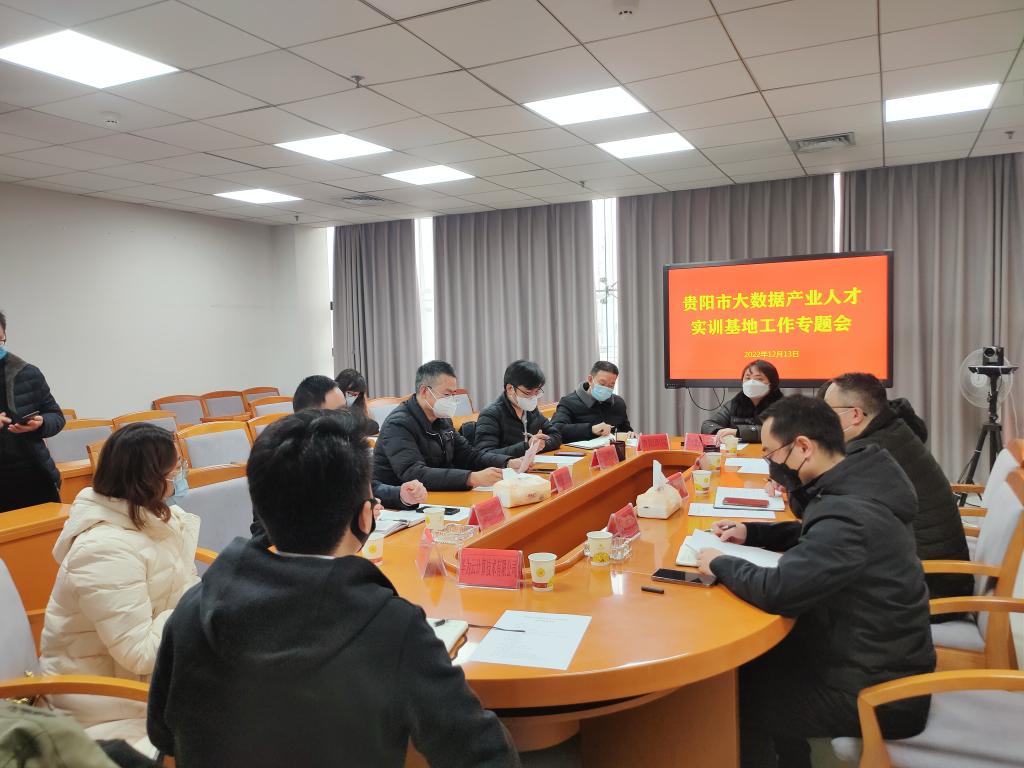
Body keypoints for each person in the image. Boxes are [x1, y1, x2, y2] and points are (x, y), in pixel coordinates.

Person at [147, 410, 519, 768]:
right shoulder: (392, 627)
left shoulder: (192, 608)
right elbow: (482, 753)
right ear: (364, 517)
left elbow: (163, 734)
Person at [696, 395, 934, 768]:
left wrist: (719, 562)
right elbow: (816, 534)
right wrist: (753, 533)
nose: (771, 464)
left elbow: (778, 591)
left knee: (729, 695)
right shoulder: (859, 479)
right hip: (865, 653)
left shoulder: (848, 515)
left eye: (772, 454)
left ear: (804, 447)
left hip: (877, 692)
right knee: (754, 665)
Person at [40, 423, 200, 753]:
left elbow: (185, 587)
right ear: (148, 478)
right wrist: (194, 606)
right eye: (175, 469)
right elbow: (139, 654)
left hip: (150, 675)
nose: (181, 474)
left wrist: (198, 603)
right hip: (104, 700)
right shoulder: (103, 549)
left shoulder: (156, 518)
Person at [824, 372, 971, 603]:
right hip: (928, 569)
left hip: (926, 586)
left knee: (810, 592)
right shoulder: (892, 430)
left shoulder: (872, 450)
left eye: (827, 412)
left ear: (855, 415)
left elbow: (821, 508)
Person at [251, 376, 427, 547]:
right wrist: (345, 518)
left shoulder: (343, 445)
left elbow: (368, 486)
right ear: (309, 415)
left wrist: (400, 495)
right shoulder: (281, 458)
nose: (346, 417)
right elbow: (263, 535)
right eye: (338, 412)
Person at [374, 360, 526, 491]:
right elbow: (414, 473)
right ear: (424, 391)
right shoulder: (398, 424)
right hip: (400, 502)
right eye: (447, 395)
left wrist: (506, 462)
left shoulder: (443, 419)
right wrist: (471, 478)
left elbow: (468, 455)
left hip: (438, 493)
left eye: (454, 395)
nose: (451, 401)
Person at [0, 310, 66, 512]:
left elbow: (56, 416)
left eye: (0, 340)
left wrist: (42, 423)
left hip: (34, 473)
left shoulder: (27, 373)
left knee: (49, 528)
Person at [475, 360, 561, 456]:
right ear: (510, 389)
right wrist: (527, 447)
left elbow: (556, 436)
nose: (533, 397)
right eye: (528, 392)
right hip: (507, 465)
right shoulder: (491, 414)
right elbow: (484, 454)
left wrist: (539, 444)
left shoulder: (531, 410)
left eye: (537, 391)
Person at [701, 359, 784, 443]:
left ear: (772, 383)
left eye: (759, 379)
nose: (751, 383)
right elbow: (708, 425)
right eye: (747, 378)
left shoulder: (783, 405)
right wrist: (720, 432)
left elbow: (779, 431)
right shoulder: (735, 403)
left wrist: (738, 432)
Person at [550, 361, 633, 441]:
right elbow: (556, 428)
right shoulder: (569, 402)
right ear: (590, 380)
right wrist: (591, 429)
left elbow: (625, 430)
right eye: (602, 384)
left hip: (612, 448)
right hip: (580, 450)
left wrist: (630, 434)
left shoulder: (618, 403)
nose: (606, 389)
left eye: (611, 386)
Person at [335, 367, 380, 436]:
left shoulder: (359, 404)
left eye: (356, 394)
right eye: (350, 393)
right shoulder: (330, 407)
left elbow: (372, 425)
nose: (353, 397)